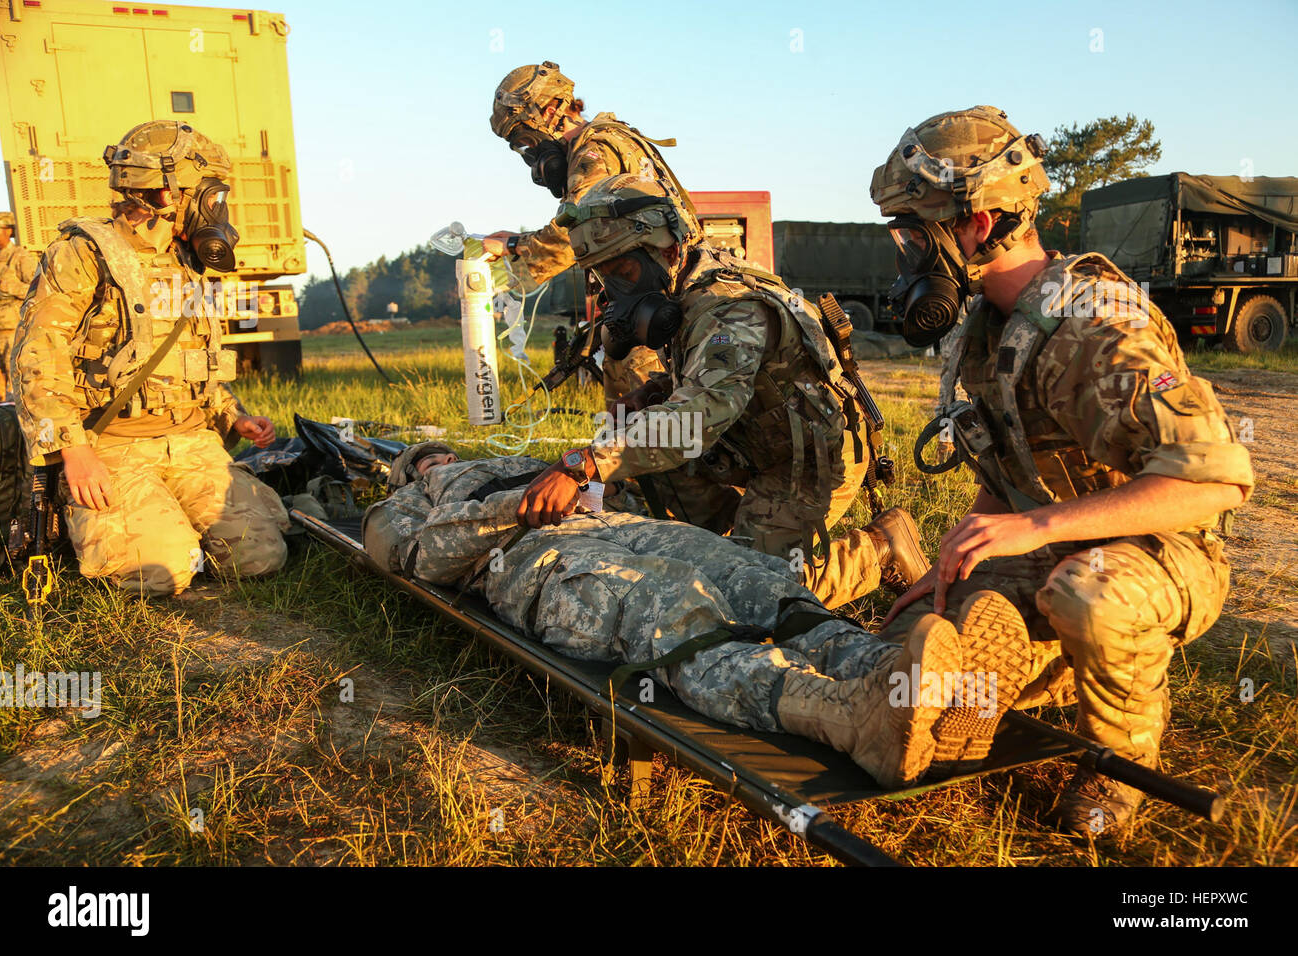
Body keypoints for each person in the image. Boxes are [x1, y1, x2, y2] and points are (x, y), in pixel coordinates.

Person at [869, 106, 1254, 834]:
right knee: (914, 637)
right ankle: (1025, 668)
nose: (906, 251)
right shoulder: (990, 324)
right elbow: (1005, 469)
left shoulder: (1100, 324)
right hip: (1058, 542)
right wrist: (956, 561)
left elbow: (1213, 479)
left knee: (1087, 595)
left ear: (978, 223)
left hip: (1160, 551)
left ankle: (1122, 768)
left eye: (914, 231)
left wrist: (1035, 528)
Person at [363, 440, 1036, 789]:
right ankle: (849, 717)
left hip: (616, 527)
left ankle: (894, 671)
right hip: (531, 561)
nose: (441, 458)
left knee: (756, 578)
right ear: (410, 473)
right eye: (424, 459)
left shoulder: (515, 458)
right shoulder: (404, 507)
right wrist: (508, 506)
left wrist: (588, 479)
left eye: (437, 453)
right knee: (673, 610)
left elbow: (600, 486)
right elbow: (420, 560)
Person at [515, 175, 927, 609]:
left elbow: (696, 418)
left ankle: (880, 549)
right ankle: (721, 538)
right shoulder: (686, 288)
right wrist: (655, 392)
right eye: (604, 276)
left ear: (668, 250)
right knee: (687, 531)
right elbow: (714, 377)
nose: (617, 289)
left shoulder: (729, 309)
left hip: (804, 461)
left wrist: (582, 465)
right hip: (750, 443)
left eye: (625, 271)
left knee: (750, 595)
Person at [11, 120, 290, 596]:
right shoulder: (82, 253)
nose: (217, 208)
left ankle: (164, 515)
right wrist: (74, 453)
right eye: (208, 193)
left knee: (261, 557)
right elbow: (36, 357)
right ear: (164, 194)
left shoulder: (189, 260)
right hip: (109, 445)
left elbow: (189, 357)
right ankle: (83, 512)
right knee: (162, 572)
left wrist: (232, 416)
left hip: (189, 440)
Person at [484, 60, 694, 402]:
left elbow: (580, 234)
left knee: (642, 427)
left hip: (651, 303)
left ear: (551, 111)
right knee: (637, 421)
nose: (530, 154)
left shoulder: (593, 150)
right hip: (647, 301)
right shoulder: (613, 139)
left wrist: (511, 246)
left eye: (525, 138)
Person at [0, 211, 39, 400]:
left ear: (8, 231)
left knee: (14, 373)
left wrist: (10, 287)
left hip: (11, 328)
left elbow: (38, 289)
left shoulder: (20, 257)